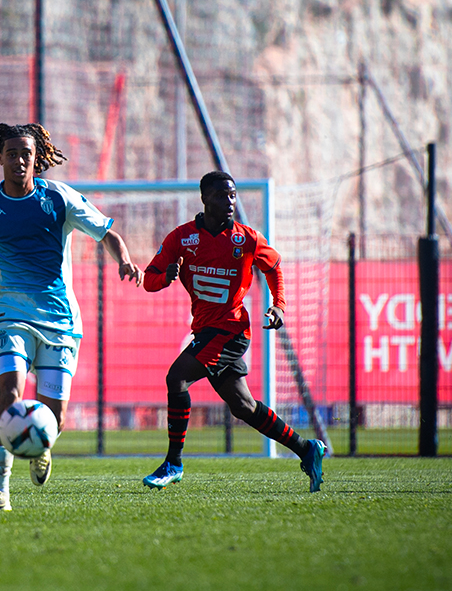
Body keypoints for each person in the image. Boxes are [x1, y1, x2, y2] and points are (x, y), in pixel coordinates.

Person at [0, 123, 143, 511]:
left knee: (55, 416)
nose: (19, 160)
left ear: (37, 158)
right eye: (12, 154)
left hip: (60, 320)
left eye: (26, 154)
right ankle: (0, 489)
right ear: (0, 158)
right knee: (9, 394)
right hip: (11, 316)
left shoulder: (59, 198)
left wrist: (125, 260)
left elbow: (106, 232)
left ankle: (41, 443)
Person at [140, 170, 326, 493]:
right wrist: (166, 276)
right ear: (204, 199)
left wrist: (279, 305)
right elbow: (149, 279)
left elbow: (274, 267)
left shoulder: (247, 238)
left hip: (231, 330)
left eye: (233, 195)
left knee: (177, 378)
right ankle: (306, 448)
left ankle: (173, 463)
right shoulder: (181, 238)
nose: (230, 201)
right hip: (206, 331)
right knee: (243, 406)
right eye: (222, 195)